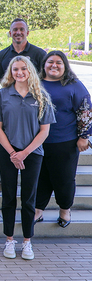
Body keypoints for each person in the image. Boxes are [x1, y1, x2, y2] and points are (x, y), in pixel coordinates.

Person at [0, 56, 55, 260]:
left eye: (23, 69)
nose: (19, 73)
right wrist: (12, 153)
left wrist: (24, 153)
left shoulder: (41, 96)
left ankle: (27, 242)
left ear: (30, 72)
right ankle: (9, 240)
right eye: (15, 69)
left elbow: (44, 131)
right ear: (10, 72)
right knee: (8, 197)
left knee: (29, 199)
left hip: (32, 153)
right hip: (8, 152)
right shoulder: (2, 95)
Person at [34, 51, 92, 227]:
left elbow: (85, 110)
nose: (54, 65)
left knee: (64, 178)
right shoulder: (35, 83)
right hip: (37, 141)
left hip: (65, 141)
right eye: (50, 62)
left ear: (65, 66)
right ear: (44, 65)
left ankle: (65, 210)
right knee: (40, 177)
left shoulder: (73, 85)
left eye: (59, 63)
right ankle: (38, 210)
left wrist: (84, 136)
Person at [0, 18, 46, 193]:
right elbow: (2, 81)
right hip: (11, 104)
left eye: (22, 29)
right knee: (9, 142)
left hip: (33, 106)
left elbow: (43, 80)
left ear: (27, 32)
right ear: (10, 33)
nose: (18, 32)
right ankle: (5, 180)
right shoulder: (3, 54)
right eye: (14, 30)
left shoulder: (38, 54)